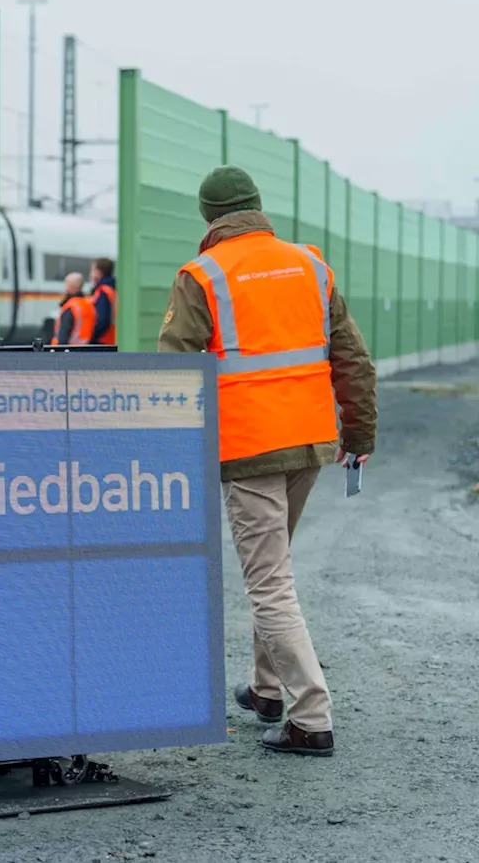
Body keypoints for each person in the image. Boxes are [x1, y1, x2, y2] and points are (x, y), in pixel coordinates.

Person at [158, 165, 377, 757]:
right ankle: (266, 691)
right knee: (275, 567)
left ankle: (311, 717)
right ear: (257, 206)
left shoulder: (201, 274)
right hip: (308, 443)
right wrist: (358, 434)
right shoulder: (310, 265)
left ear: (209, 217)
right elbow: (353, 359)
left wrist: (173, 461)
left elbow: (174, 376)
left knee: (268, 583)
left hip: (250, 446)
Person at [55, 272, 96, 345]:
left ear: (71, 286)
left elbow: (63, 336)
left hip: (69, 351)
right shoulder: (89, 305)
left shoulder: (71, 307)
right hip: (85, 349)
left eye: (66, 284)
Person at [88, 257, 117, 346]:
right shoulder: (112, 290)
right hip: (111, 340)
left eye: (92, 270)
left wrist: (90, 338)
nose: (91, 274)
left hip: (102, 342)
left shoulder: (103, 291)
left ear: (99, 272)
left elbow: (102, 321)